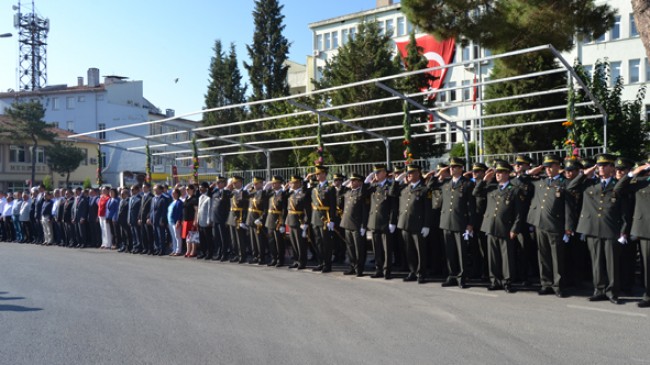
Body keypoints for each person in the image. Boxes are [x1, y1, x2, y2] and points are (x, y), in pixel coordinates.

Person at [568, 153, 630, 305]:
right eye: (599, 165)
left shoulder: (617, 184)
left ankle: (612, 292)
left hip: (611, 228)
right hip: (592, 228)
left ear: (611, 168)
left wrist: (624, 229)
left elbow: (625, 210)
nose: (600, 168)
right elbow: (571, 187)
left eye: (604, 165)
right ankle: (599, 290)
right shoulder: (589, 183)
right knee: (596, 262)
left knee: (611, 263)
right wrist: (585, 172)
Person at [526, 154, 576, 297]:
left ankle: (558, 285)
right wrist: (535, 170)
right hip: (539, 224)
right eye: (546, 167)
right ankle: (546, 283)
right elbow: (521, 179)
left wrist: (568, 227)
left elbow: (569, 207)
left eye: (550, 166)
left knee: (557, 257)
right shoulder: (540, 182)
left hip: (556, 225)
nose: (547, 169)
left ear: (557, 166)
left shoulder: (564, 183)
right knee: (543, 255)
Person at [473, 161, 524, 293]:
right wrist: (484, 180)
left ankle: (507, 281)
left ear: (507, 173)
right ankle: (494, 280)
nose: (498, 175)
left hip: (505, 228)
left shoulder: (514, 190)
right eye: (497, 172)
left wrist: (515, 229)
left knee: (507, 257)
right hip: (490, 226)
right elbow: (476, 192)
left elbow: (519, 213)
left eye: (501, 172)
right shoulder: (491, 188)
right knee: (493, 256)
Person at [427, 157, 476, 288]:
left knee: (461, 252)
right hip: (446, 221)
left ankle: (461, 277)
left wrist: (470, 223)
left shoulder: (467, 184)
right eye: (450, 167)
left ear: (461, 168)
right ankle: (452, 275)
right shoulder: (446, 183)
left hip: (460, 221)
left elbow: (471, 205)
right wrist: (438, 174)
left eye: (455, 167)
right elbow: (429, 186)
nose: (451, 168)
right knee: (449, 252)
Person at [615, 157, 650, 307]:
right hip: (645, 229)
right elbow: (618, 189)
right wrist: (634, 173)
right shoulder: (640, 182)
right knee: (647, 265)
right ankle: (648, 295)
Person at [393, 164, 432, 284]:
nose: (408, 175)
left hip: (418, 224)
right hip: (405, 223)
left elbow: (428, 209)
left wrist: (426, 225)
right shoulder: (405, 188)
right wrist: (396, 180)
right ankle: (412, 271)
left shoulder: (425, 189)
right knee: (408, 250)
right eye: (407, 173)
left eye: (411, 173)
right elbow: (392, 193)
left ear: (418, 174)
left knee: (420, 250)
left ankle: (421, 273)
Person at [365, 164, 398, 279]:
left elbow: (394, 206)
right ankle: (378, 269)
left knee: (387, 248)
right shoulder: (373, 186)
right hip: (374, 221)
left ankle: (387, 270)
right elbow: (362, 192)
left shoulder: (390, 186)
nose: (376, 175)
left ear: (384, 173)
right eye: (375, 173)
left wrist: (392, 222)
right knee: (377, 247)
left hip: (385, 221)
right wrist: (369, 179)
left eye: (378, 172)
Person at [308, 165, 338, 273]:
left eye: (319, 173)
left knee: (326, 243)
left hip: (326, 218)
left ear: (324, 174)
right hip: (315, 218)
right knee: (318, 242)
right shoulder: (314, 189)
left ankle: (327, 264)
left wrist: (332, 220)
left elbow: (333, 205)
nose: (317, 175)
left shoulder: (330, 188)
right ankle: (320, 262)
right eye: (316, 174)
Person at [339, 173, 369, 277]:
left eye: (354, 180)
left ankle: (359, 268)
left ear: (359, 182)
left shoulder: (361, 193)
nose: (351, 182)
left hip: (357, 225)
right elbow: (339, 191)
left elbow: (365, 211)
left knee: (359, 248)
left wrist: (364, 226)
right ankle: (352, 266)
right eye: (350, 180)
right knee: (350, 247)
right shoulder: (348, 192)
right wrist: (347, 182)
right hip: (347, 224)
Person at [285, 175, 311, 270]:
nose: (292, 184)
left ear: (299, 183)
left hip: (299, 221)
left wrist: (305, 223)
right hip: (290, 220)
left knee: (300, 244)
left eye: (294, 182)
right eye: (291, 182)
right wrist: (285, 188)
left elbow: (307, 210)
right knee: (293, 243)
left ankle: (302, 261)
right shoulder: (290, 194)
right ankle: (295, 260)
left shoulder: (303, 194)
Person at [244, 176, 269, 265]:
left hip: (258, 220)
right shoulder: (252, 193)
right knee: (253, 240)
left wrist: (261, 219)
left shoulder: (264, 194)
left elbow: (266, 209)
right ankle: (255, 256)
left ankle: (261, 257)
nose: (255, 185)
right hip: (250, 219)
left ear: (262, 184)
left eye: (257, 183)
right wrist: (250, 186)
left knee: (260, 241)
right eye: (254, 183)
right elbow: (244, 194)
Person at [265, 175, 287, 267]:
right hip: (270, 219)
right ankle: (273, 258)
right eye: (273, 183)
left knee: (279, 242)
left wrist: (282, 223)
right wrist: (268, 184)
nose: (273, 185)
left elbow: (284, 209)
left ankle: (280, 260)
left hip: (278, 220)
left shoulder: (283, 194)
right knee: (271, 241)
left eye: (275, 183)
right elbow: (264, 191)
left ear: (280, 183)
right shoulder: (271, 193)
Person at [226, 176, 249, 263]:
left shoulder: (245, 192)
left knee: (240, 239)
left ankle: (242, 256)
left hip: (240, 217)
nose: (234, 185)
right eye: (233, 183)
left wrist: (243, 220)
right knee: (233, 239)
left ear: (240, 182)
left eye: (235, 183)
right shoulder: (232, 192)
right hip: (232, 217)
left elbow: (246, 207)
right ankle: (236, 254)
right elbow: (223, 197)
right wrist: (227, 188)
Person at [210, 176, 231, 261]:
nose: (218, 184)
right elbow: (208, 193)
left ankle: (224, 254)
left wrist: (227, 220)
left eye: (219, 183)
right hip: (215, 218)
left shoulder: (226, 193)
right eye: (217, 183)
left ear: (224, 183)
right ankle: (218, 253)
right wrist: (212, 186)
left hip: (223, 219)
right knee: (216, 238)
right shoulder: (215, 192)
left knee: (223, 238)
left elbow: (228, 207)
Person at [150, 184, 171, 256]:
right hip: (154, 219)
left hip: (160, 220)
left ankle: (162, 250)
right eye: (154, 189)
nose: (154, 191)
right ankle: (157, 248)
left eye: (156, 189)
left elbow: (164, 211)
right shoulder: (153, 198)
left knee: (161, 235)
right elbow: (152, 210)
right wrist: (150, 218)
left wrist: (162, 220)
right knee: (155, 235)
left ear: (160, 190)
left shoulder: (164, 198)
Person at [196, 182, 213, 259]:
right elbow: (199, 209)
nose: (200, 189)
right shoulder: (200, 197)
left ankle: (209, 253)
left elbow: (210, 210)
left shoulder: (209, 197)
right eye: (199, 187)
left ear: (206, 188)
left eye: (201, 187)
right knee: (201, 238)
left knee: (208, 238)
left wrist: (209, 221)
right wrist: (197, 219)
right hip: (200, 220)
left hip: (206, 221)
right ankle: (203, 252)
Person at [182, 184, 199, 258]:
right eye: (186, 189)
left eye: (188, 189)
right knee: (187, 237)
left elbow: (196, 210)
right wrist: (183, 219)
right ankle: (188, 250)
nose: (187, 191)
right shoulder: (186, 198)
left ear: (192, 190)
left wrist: (195, 220)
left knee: (193, 236)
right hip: (186, 220)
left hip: (192, 220)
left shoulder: (194, 199)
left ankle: (193, 251)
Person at [167, 188, 184, 256]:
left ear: (177, 194)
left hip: (175, 222)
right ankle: (174, 249)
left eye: (174, 193)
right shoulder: (172, 202)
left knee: (177, 236)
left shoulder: (179, 202)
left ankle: (178, 250)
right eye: (172, 193)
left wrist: (178, 221)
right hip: (170, 222)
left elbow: (180, 213)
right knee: (173, 236)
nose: (172, 194)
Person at [138, 183, 154, 255]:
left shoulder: (151, 197)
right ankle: (145, 248)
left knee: (149, 234)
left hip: (147, 219)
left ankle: (150, 249)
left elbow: (151, 209)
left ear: (148, 188)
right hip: (142, 218)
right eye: (143, 187)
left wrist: (148, 217)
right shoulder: (142, 196)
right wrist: (139, 217)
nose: (143, 189)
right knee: (143, 234)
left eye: (145, 187)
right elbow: (141, 208)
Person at [128, 185, 143, 254]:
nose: (131, 191)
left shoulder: (140, 198)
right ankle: (135, 246)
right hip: (131, 218)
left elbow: (140, 210)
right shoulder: (131, 198)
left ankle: (139, 247)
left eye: (133, 189)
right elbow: (129, 210)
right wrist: (128, 219)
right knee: (133, 233)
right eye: (131, 190)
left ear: (137, 190)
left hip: (136, 219)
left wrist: (139, 218)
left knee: (137, 234)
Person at [116, 188, 132, 252]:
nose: (121, 195)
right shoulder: (121, 201)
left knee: (127, 234)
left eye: (123, 194)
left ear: (126, 194)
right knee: (122, 234)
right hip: (121, 220)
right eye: (121, 194)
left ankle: (129, 247)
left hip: (126, 220)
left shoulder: (128, 201)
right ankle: (124, 245)